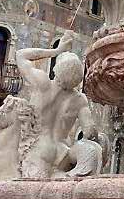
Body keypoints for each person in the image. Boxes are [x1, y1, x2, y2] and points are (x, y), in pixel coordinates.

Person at [15, 32, 96, 178]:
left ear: (56, 68)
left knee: (30, 186)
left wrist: (57, 50)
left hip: (39, 147)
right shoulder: (80, 99)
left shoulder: (43, 84)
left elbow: (21, 55)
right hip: (62, 152)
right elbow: (90, 131)